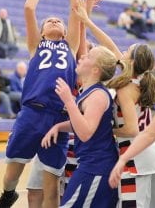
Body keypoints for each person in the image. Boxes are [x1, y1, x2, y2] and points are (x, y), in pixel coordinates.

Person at [0, 0, 81, 208]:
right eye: (49, 20)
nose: (54, 20)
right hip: (31, 114)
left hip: (59, 117)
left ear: (65, 31)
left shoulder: (71, 46)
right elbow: (30, 9)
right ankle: (9, 194)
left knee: (51, 187)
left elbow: (76, 8)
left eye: (59, 21)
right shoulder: (36, 46)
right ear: (41, 31)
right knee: (12, 173)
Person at [26, 0, 105, 208]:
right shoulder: (67, 60)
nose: (85, 52)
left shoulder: (86, 75)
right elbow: (79, 20)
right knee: (34, 191)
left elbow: (79, 22)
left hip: (70, 137)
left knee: (59, 194)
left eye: (88, 51)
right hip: (48, 127)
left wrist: (87, 0)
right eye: (85, 49)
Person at [74, 0, 155, 208]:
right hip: (150, 155)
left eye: (126, 51)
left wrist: (107, 130)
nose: (121, 52)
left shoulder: (126, 88)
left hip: (136, 157)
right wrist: (86, 20)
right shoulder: (139, 79)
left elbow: (132, 129)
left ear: (131, 61)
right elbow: (109, 44)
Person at [41, 43, 119, 207]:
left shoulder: (97, 95)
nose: (82, 56)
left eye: (89, 56)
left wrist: (69, 101)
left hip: (97, 168)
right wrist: (59, 127)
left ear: (95, 69)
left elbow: (85, 132)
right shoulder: (89, 91)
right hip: (91, 166)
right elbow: (81, 121)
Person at [109, 98, 155, 189]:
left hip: (138, 158)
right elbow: (149, 134)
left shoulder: (124, 92)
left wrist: (108, 131)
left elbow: (135, 131)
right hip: (148, 155)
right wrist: (123, 159)